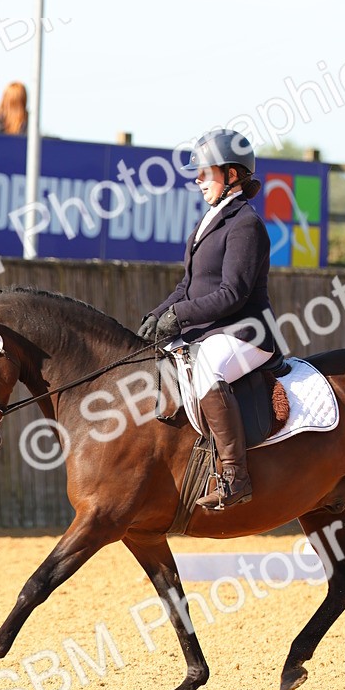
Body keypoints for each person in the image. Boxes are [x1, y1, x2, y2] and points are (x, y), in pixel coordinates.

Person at [138, 129, 276, 508]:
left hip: (247, 334)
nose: (198, 180)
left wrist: (178, 316)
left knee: (209, 371)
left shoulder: (246, 225)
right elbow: (188, 285)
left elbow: (233, 294)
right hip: (211, 330)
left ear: (232, 174)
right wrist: (158, 315)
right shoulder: (209, 222)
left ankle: (235, 476)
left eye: (205, 172)